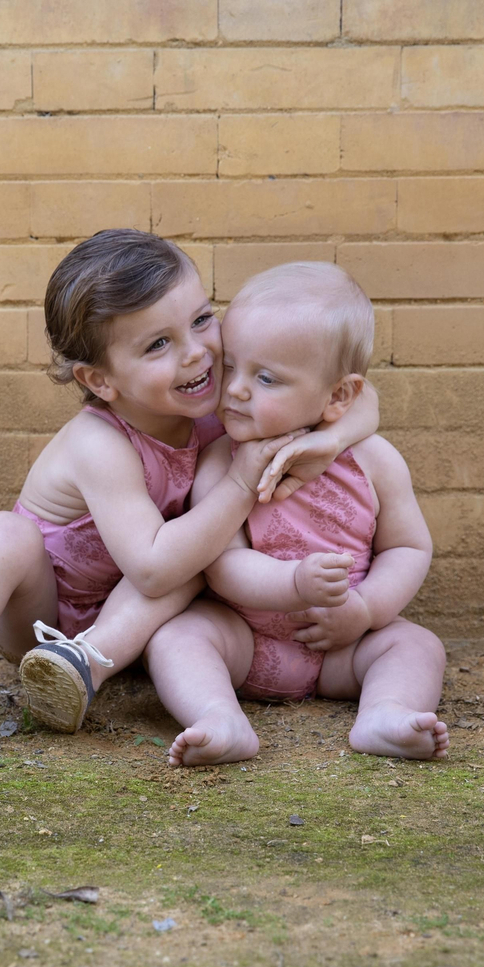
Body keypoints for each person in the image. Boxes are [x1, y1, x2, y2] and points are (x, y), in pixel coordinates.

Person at [0, 231, 379, 761]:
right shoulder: (100, 442)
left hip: (129, 617)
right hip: (44, 615)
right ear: (101, 381)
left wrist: (329, 439)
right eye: (159, 344)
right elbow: (154, 570)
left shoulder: (211, 402)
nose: (197, 354)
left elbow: (359, 394)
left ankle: (90, 665)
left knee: (194, 550)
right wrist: (237, 485)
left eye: (202, 320)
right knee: (6, 533)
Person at [146, 262, 448, 768]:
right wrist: (294, 583)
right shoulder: (223, 460)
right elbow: (221, 563)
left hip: (341, 650)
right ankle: (220, 716)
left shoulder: (373, 461)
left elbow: (409, 547)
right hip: (246, 641)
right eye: (230, 367)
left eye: (265, 378)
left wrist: (366, 611)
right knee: (177, 637)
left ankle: (384, 713)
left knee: (416, 644)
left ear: (338, 396)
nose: (237, 390)